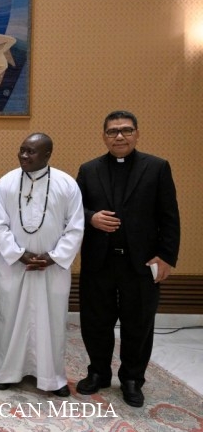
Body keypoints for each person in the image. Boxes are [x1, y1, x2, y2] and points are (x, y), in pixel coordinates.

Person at [75, 111, 180, 407]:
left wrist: (166, 257)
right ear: (103, 136)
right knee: (96, 322)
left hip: (141, 263)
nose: (119, 136)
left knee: (139, 323)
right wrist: (91, 218)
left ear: (137, 133)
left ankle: (133, 378)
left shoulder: (157, 167)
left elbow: (169, 217)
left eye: (125, 130)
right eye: (112, 131)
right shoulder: (89, 170)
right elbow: (72, 212)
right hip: (99, 262)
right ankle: (98, 373)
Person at [0, 133, 84, 397]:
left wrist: (54, 256)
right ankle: (5, 372)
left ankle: (52, 377)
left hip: (52, 269)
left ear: (47, 155)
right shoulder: (6, 183)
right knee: (9, 319)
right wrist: (19, 254)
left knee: (52, 321)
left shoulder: (67, 185)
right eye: (21, 150)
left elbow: (75, 227)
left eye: (31, 152)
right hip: (14, 267)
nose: (23, 156)